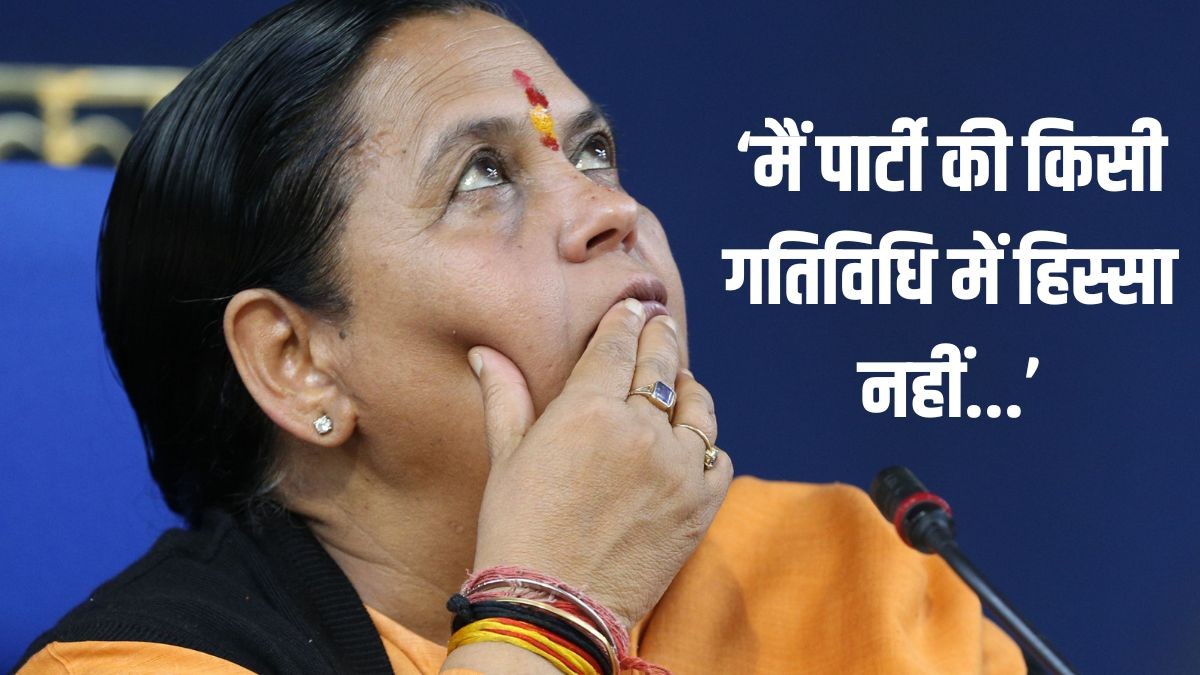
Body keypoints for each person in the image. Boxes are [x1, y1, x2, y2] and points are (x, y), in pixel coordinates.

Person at [17, 1, 1024, 673]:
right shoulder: (137, 664)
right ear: (298, 362)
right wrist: (552, 608)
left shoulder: (855, 576)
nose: (610, 211)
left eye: (595, 154)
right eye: (484, 175)